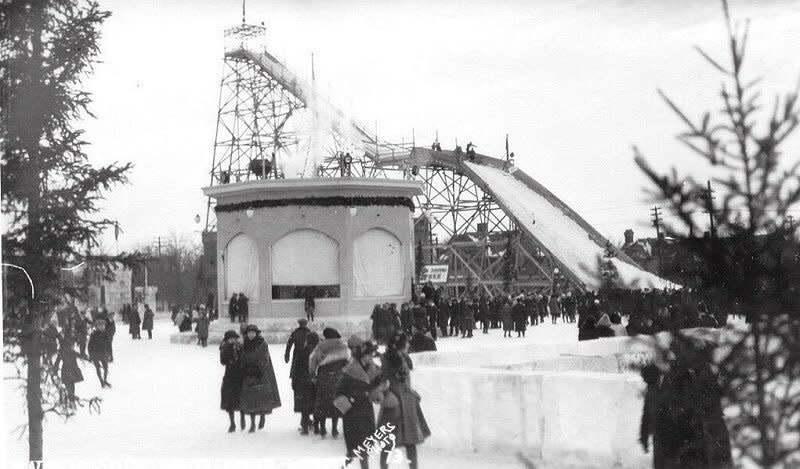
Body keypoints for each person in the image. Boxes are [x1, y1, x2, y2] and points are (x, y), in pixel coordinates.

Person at [378, 334, 430, 469]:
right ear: (402, 345)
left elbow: (383, 379)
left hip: (392, 401)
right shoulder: (400, 359)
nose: (409, 345)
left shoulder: (387, 358)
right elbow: (403, 380)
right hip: (405, 402)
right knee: (410, 442)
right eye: (407, 343)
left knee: (388, 442)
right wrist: (413, 393)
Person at [334, 340, 385, 469]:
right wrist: (350, 401)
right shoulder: (350, 370)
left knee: (364, 447)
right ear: (362, 356)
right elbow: (338, 392)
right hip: (353, 413)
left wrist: (379, 388)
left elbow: (376, 382)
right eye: (369, 355)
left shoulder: (370, 368)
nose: (371, 358)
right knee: (355, 448)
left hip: (365, 411)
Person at [308, 327, 350, 438]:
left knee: (322, 402)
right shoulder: (343, 345)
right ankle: (335, 429)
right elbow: (347, 362)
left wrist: (312, 374)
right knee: (336, 402)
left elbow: (313, 360)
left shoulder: (321, 346)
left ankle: (322, 429)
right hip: (338, 377)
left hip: (324, 377)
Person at [239, 324, 281, 432]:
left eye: (253, 332)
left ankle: (262, 416)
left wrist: (258, 369)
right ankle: (252, 424)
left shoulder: (262, 344)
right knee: (250, 400)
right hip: (248, 373)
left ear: (256, 333)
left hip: (260, 374)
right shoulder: (244, 344)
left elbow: (264, 359)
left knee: (261, 399)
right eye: (249, 333)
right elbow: (242, 358)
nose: (251, 335)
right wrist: (244, 368)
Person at [219, 329, 245, 432]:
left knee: (241, 398)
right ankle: (232, 423)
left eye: (234, 338)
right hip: (229, 376)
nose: (232, 340)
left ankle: (242, 417)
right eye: (230, 338)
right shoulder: (224, 347)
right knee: (229, 401)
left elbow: (244, 358)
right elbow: (222, 361)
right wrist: (229, 349)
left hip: (240, 375)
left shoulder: (240, 347)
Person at [54, 332, 83, 407]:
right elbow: (81, 355)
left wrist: (55, 370)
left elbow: (57, 363)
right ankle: (71, 401)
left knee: (69, 386)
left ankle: (71, 400)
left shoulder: (62, 352)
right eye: (72, 345)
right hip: (72, 370)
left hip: (66, 371)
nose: (73, 346)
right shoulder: (72, 352)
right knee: (71, 386)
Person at [88, 318, 112, 388]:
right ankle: (101, 381)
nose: (102, 327)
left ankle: (105, 380)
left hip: (104, 353)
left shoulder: (106, 334)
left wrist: (110, 354)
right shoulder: (93, 334)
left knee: (106, 368)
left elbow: (109, 345)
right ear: (97, 326)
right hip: (95, 354)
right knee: (98, 368)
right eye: (100, 325)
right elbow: (90, 346)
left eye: (103, 325)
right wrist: (90, 355)